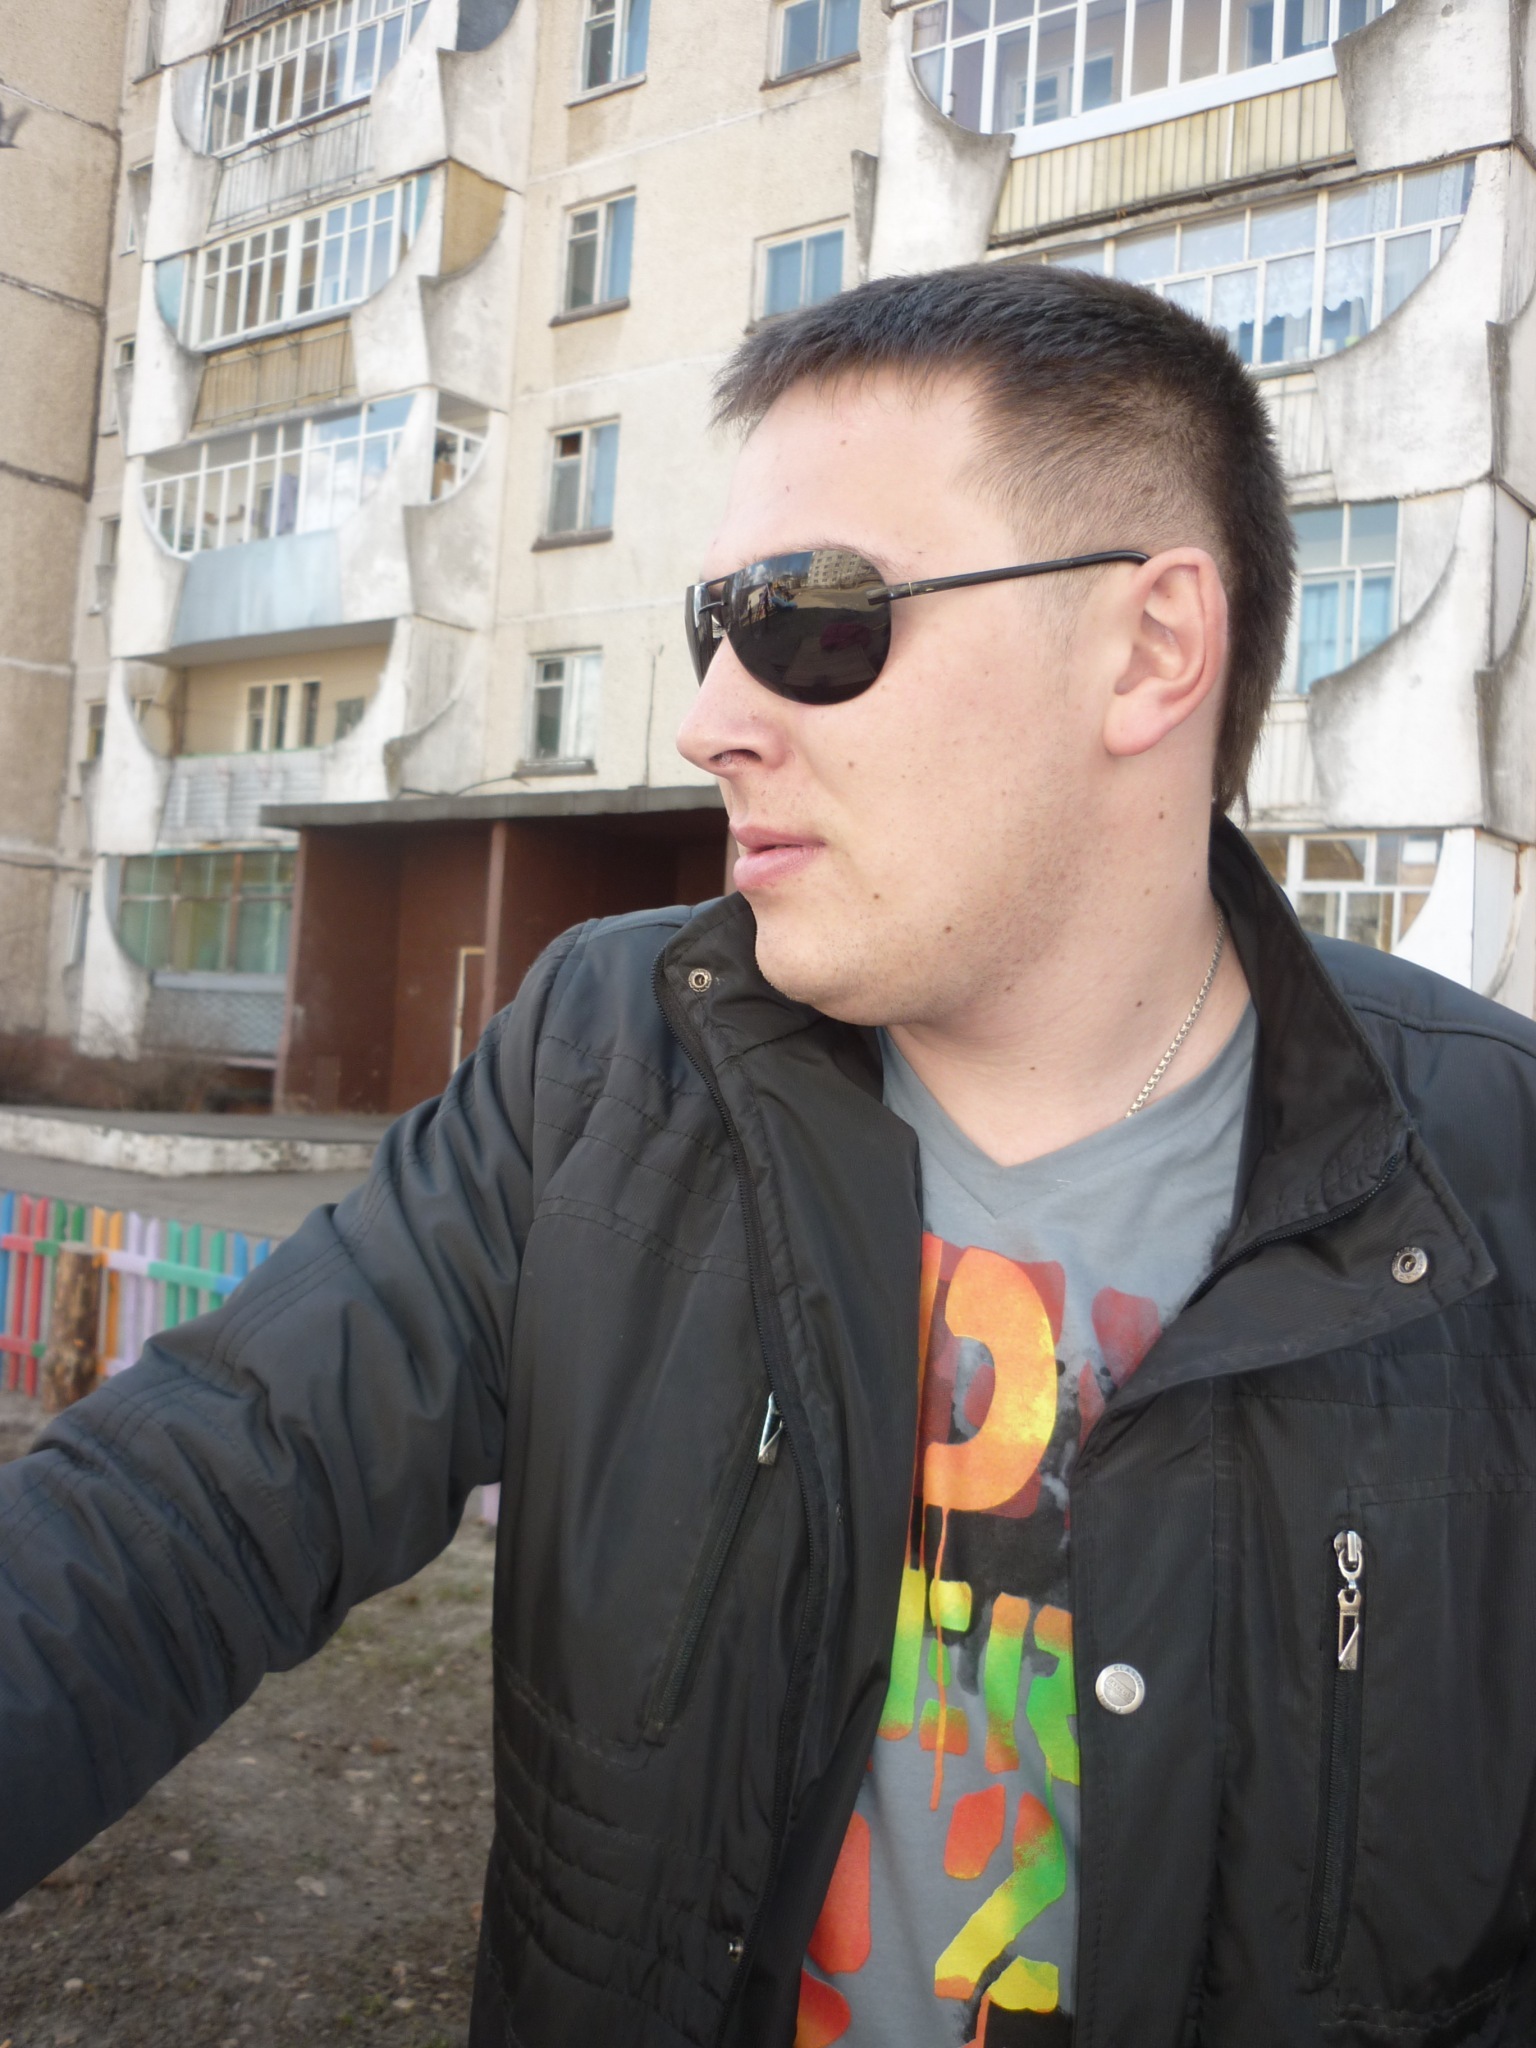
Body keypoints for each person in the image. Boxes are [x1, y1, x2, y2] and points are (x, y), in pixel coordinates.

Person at [3, 262, 1535, 2048]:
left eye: (813, 618)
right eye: (709, 628)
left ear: (1148, 648)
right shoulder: (613, 1060)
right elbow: (186, 1505)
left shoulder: (1487, 1174)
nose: (713, 716)